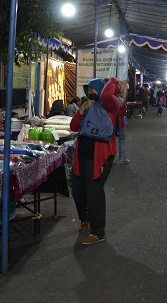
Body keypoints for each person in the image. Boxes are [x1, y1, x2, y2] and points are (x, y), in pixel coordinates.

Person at [69, 77, 120, 245]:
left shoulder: (110, 106)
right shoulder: (88, 108)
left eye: (93, 89)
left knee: (94, 193)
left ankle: (98, 232)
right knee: (78, 189)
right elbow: (73, 127)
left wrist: (111, 81)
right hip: (82, 155)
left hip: (100, 157)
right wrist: (82, 109)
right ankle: (85, 219)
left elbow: (105, 95)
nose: (90, 93)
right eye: (88, 90)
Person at [114, 86, 129, 165]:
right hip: (120, 123)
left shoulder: (110, 100)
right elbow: (124, 113)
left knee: (113, 141)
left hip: (112, 123)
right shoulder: (122, 101)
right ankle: (122, 158)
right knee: (122, 140)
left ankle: (113, 160)